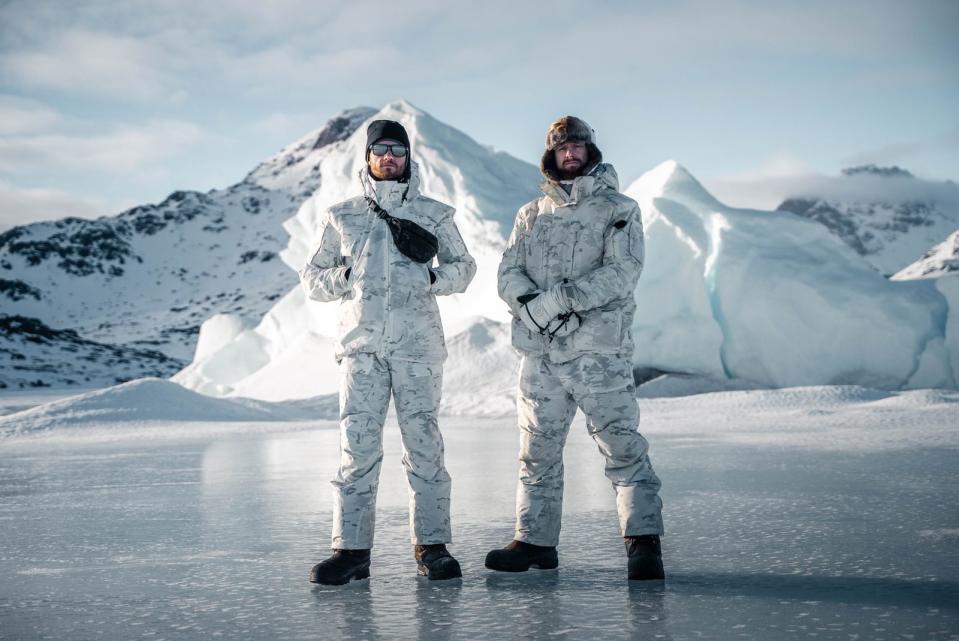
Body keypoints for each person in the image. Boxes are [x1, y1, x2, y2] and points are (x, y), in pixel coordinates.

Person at [487, 116, 665, 581]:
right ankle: (535, 542)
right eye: (562, 147)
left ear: (590, 150)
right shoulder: (530, 214)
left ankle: (643, 543)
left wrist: (561, 301)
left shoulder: (619, 208)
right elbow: (508, 271)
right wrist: (531, 306)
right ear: (551, 155)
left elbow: (622, 272)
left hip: (597, 353)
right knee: (536, 451)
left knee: (621, 445)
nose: (571, 153)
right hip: (541, 354)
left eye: (578, 145)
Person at [299, 119, 476, 584]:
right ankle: (352, 552)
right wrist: (344, 278)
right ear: (368, 157)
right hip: (362, 351)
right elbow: (313, 279)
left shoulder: (435, 214)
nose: (390, 157)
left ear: (408, 157)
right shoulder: (342, 216)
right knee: (356, 451)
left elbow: (464, 266)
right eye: (381, 149)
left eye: (398, 149)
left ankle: (432, 548)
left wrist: (434, 279)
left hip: (418, 349)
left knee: (424, 448)